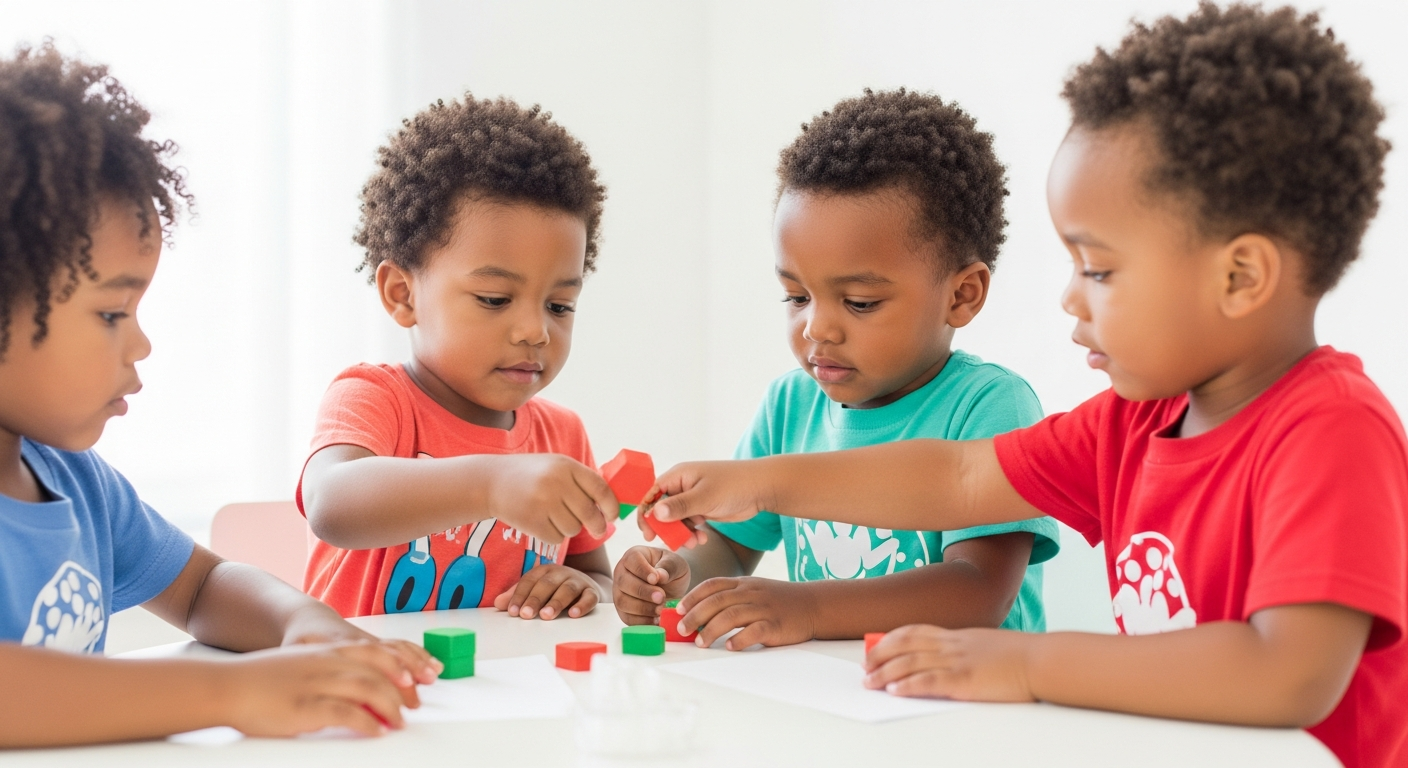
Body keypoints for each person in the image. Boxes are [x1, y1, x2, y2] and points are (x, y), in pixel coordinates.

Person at [645, 5, 1406, 766]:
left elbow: (1289, 675)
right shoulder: (1130, 424)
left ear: (1240, 276)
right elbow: (961, 474)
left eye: (1099, 270)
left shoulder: (1332, 431)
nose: (1072, 299)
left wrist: (1026, 664)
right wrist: (757, 482)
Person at [0, 43, 439, 748]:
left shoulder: (78, 486)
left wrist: (307, 627)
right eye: (112, 314)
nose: (140, 345)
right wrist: (233, 693)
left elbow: (203, 587)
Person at [612, 90, 1058, 650]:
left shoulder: (991, 405)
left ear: (961, 295)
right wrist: (673, 575)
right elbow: (726, 547)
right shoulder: (791, 404)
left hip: (965, 711)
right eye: (795, 296)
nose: (817, 329)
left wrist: (806, 607)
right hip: (837, 701)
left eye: (860, 302)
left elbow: (978, 593)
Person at [297, 95, 617, 621]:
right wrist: (491, 485)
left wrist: (582, 587)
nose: (535, 330)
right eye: (494, 299)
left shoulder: (563, 438)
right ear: (402, 294)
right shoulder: (374, 399)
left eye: (560, 305)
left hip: (506, 697)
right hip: (365, 688)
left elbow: (595, 573)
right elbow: (332, 504)